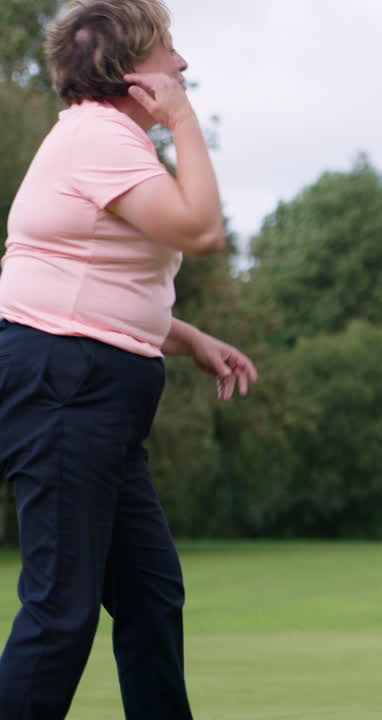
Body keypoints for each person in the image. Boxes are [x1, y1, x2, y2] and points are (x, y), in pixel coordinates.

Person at [0, 1, 257, 717]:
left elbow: (77, 276)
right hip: (65, 390)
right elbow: (202, 229)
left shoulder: (99, 141)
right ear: (127, 73)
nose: (181, 66)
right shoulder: (99, 139)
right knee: (60, 614)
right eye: (167, 51)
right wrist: (182, 120)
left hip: (93, 394)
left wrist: (183, 335)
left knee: (149, 594)